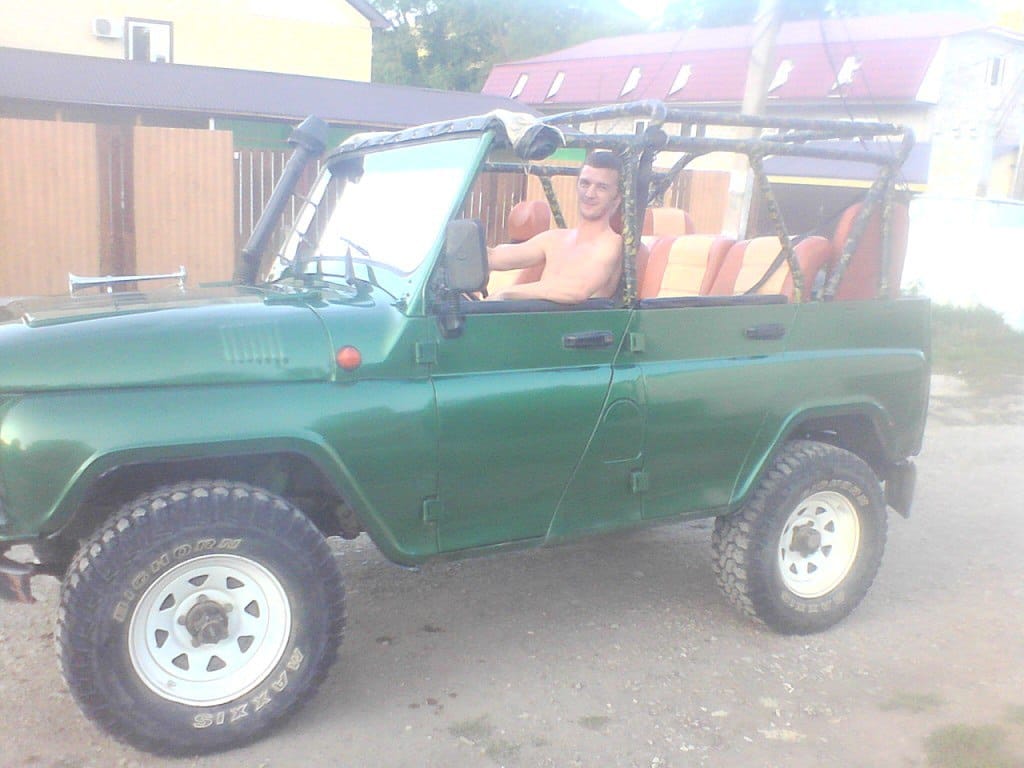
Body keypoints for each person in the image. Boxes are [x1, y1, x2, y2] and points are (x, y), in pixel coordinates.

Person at [487, 151, 624, 303]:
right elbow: (495, 257)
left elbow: (577, 290)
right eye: (585, 184)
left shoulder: (611, 243)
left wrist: (506, 293)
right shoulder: (554, 238)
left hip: (582, 319)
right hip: (541, 318)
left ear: (616, 198)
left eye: (602, 187)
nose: (590, 194)